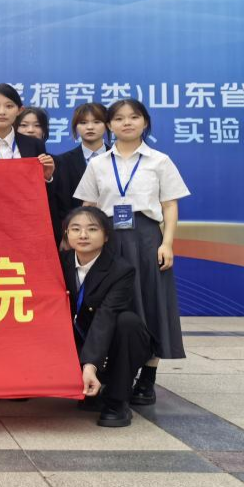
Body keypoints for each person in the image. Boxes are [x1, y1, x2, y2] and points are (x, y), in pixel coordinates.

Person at [74, 98, 190, 406]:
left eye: (134, 117)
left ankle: (147, 378)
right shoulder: (98, 164)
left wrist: (167, 243)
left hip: (147, 239)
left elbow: (169, 205)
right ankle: (109, 371)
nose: (127, 123)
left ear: (145, 122)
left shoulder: (159, 161)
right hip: (108, 240)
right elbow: (88, 206)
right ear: (109, 125)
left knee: (151, 305)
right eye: (119, 118)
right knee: (110, 306)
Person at [59, 206, 151, 427]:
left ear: (106, 235)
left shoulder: (120, 270)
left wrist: (90, 364)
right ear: (67, 234)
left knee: (127, 322)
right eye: (75, 229)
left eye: (92, 229)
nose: (83, 235)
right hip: (71, 337)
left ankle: (117, 401)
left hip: (108, 339)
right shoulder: (57, 263)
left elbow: (106, 316)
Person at [50, 103, 109, 248]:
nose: (90, 127)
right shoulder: (62, 161)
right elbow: (60, 204)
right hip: (77, 238)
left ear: (107, 125)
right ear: (75, 126)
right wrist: (66, 235)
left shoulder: (119, 158)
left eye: (97, 122)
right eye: (83, 122)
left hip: (114, 232)